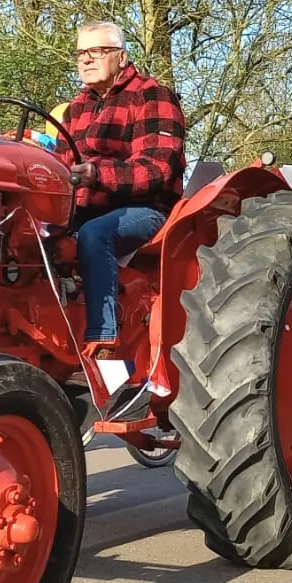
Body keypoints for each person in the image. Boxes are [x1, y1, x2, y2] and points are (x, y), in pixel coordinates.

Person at [63, 21, 187, 394]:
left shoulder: (152, 96)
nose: (86, 60)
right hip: (86, 208)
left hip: (144, 209)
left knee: (94, 234)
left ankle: (103, 343)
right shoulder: (75, 108)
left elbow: (157, 168)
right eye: (80, 53)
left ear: (121, 56)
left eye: (96, 51)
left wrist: (95, 173)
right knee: (35, 241)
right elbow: (62, 164)